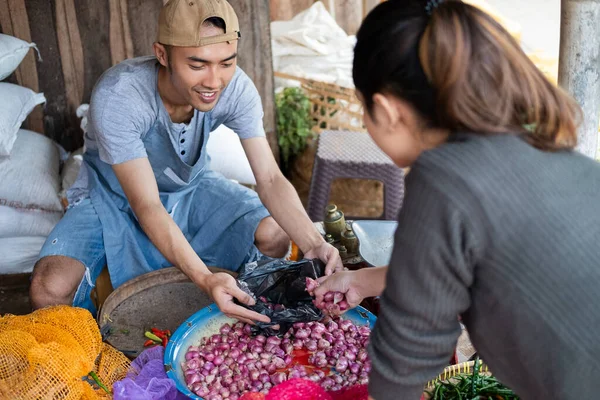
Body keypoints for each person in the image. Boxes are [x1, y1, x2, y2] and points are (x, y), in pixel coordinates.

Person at [314, 0, 600, 399]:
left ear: (386, 109)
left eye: (364, 107)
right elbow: (460, 261)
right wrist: (363, 281)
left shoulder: (442, 178)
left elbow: (407, 357)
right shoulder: (535, 145)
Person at [30, 0, 341, 322]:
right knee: (48, 287)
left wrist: (313, 242)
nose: (214, 81)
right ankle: (99, 354)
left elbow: (271, 179)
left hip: (192, 188)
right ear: (162, 55)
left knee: (275, 231)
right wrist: (204, 277)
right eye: (197, 65)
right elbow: (147, 204)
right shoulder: (121, 94)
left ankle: (253, 316)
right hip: (112, 197)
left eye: (226, 63)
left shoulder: (236, 87)